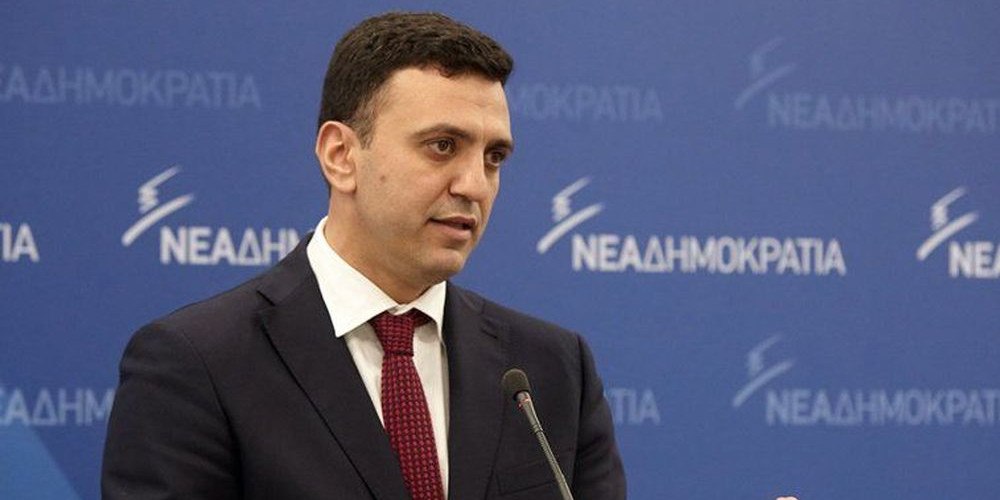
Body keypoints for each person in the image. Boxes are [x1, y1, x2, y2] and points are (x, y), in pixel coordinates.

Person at [102, 11, 626, 500]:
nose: (474, 185)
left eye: (494, 157)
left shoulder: (552, 368)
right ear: (341, 156)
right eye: (443, 145)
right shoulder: (197, 364)